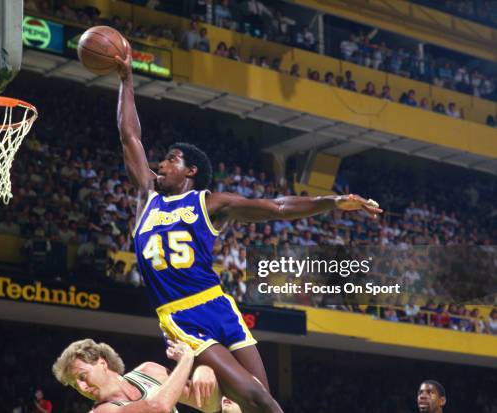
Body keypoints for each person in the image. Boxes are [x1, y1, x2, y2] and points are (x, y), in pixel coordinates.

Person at [114, 42, 382, 413]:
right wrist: (126, 78)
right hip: (180, 315)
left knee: (259, 399)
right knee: (253, 397)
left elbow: (275, 207)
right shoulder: (148, 197)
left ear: (191, 171)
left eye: (171, 159)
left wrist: (333, 202)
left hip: (219, 304)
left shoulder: (209, 203)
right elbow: (131, 137)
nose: (161, 164)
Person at [52, 338, 221, 412]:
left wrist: (205, 370)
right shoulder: (103, 411)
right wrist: (187, 359)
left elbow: (210, 405)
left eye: (82, 377)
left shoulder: (149, 372)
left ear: (102, 362)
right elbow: (158, 407)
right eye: (75, 385)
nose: (82, 388)